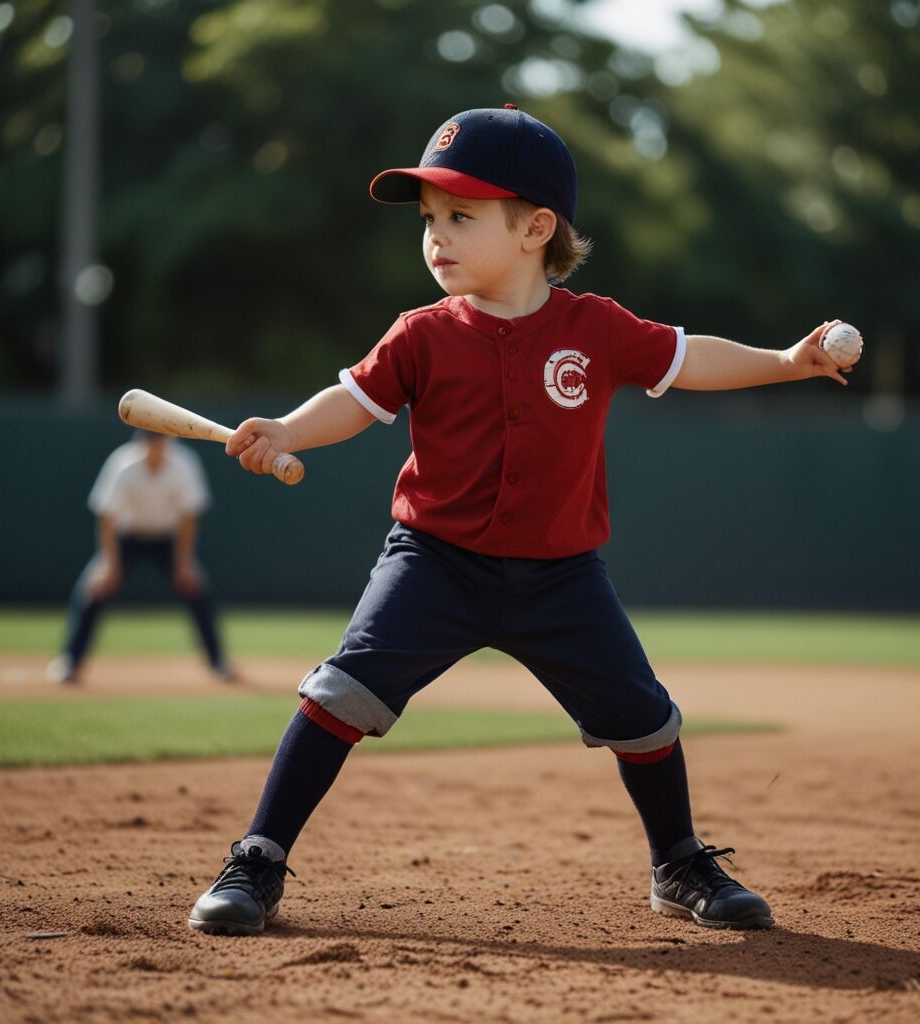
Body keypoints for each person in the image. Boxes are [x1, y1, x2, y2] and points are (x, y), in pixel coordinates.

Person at [188, 105, 852, 936]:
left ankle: (678, 863)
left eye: (461, 215)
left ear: (537, 226)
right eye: (429, 219)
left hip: (562, 575)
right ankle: (258, 858)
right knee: (340, 693)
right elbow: (353, 403)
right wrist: (287, 430)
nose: (436, 236)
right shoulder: (420, 335)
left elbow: (690, 357)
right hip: (434, 563)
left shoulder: (595, 327)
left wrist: (790, 361)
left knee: (644, 718)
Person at [46, 430, 235, 685]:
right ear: (140, 442)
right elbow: (107, 517)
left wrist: (184, 562)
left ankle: (218, 662)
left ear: (168, 442)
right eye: (148, 441)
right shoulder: (123, 463)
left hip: (168, 539)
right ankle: (70, 660)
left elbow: (188, 517)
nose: (153, 446)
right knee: (93, 588)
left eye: (158, 441)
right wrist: (108, 563)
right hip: (127, 536)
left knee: (197, 586)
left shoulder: (184, 462)